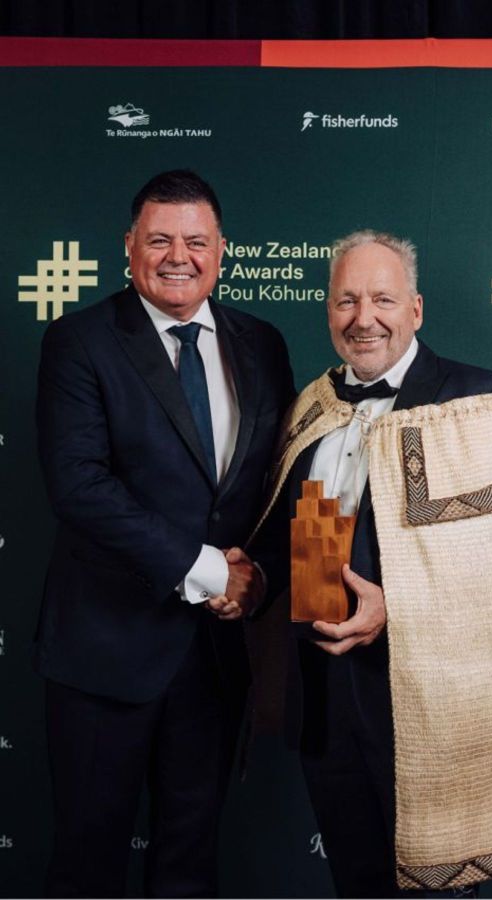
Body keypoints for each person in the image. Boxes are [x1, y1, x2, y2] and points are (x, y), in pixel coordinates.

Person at [251, 230, 492, 895]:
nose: (364, 318)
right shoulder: (311, 407)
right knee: (356, 883)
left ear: (415, 310)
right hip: (326, 696)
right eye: (347, 301)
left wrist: (396, 606)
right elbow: (290, 537)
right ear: (328, 312)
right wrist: (256, 579)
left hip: (429, 701)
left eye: (382, 299)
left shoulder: (475, 400)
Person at [34, 169, 295, 896]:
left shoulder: (262, 344)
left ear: (221, 251)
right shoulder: (80, 341)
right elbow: (80, 487)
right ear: (129, 247)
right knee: (87, 862)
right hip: (104, 652)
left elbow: (280, 485)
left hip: (214, 659)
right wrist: (214, 571)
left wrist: (263, 579)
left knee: (190, 861)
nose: (178, 256)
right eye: (159, 240)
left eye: (196, 241)